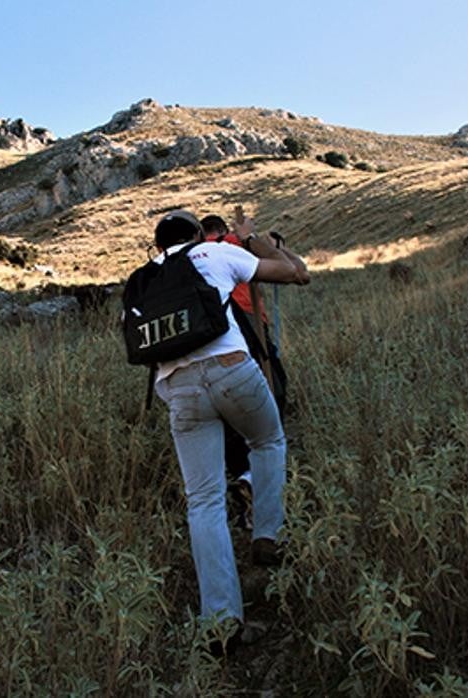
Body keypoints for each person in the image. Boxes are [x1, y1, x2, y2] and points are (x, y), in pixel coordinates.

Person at [147, 209, 310, 651]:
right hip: (231, 369)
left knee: (203, 502)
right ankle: (267, 534)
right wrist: (249, 237)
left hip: (177, 389)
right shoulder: (215, 253)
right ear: (198, 235)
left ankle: (221, 626)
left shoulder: (145, 275)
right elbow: (294, 273)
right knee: (268, 439)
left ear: (159, 245)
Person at [199, 214, 291, 529]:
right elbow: (290, 268)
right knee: (272, 394)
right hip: (250, 324)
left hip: (212, 336)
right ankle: (267, 492)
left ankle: (242, 478)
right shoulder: (235, 244)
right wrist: (259, 239)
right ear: (223, 229)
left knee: (228, 417)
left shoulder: (194, 254)